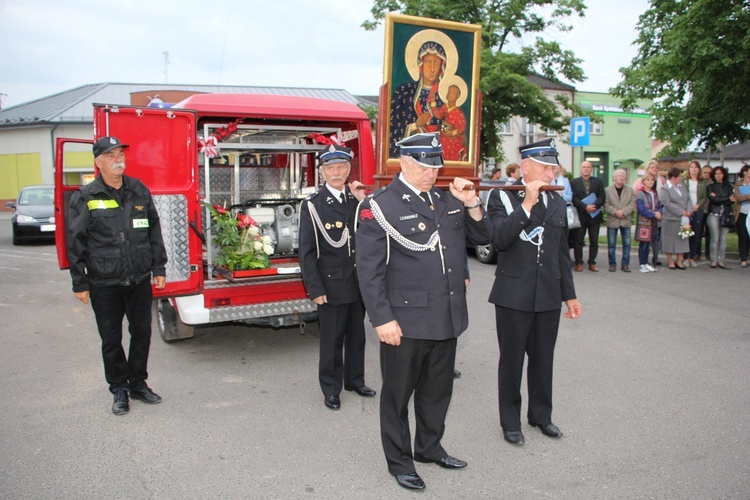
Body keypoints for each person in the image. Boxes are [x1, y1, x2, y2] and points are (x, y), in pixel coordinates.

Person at [355, 132, 490, 491]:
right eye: (425, 166)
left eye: (436, 166)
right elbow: (369, 271)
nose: (432, 173)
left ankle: (429, 447)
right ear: (405, 163)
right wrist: (382, 318)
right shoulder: (380, 204)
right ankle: (400, 462)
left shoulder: (446, 200)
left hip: (446, 315)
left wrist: (472, 202)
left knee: (437, 391)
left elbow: (482, 238)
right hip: (405, 319)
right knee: (398, 395)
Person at [486, 138, 581, 446]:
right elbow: (499, 239)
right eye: (544, 167)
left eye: (553, 167)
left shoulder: (556, 201)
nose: (551, 173)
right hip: (513, 294)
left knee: (543, 360)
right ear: (526, 166)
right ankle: (510, 422)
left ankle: (541, 416)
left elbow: (560, 252)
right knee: (511, 361)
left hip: (548, 294)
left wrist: (569, 294)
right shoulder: (503, 195)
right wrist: (526, 204)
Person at [66, 136, 168, 415]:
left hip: (138, 278)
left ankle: (138, 383)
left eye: (120, 154)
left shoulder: (138, 190)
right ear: (98, 163)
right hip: (104, 282)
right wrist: (80, 282)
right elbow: (75, 241)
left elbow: (153, 232)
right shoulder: (86, 197)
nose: (118, 159)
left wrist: (159, 268)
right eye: (111, 156)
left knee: (142, 333)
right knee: (111, 338)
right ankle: (119, 388)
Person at [298, 145, 374, 411]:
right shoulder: (313, 205)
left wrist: (362, 200)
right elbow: (306, 251)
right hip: (330, 284)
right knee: (332, 340)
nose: (336, 172)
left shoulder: (357, 200)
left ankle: (355, 380)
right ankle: (331, 389)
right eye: (330, 168)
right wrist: (314, 287)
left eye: (341, 167)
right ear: (322, 172)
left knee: (357, 335)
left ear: (349, 170)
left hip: (357, 282)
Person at [389, 41, 447, 157]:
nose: (432, 68)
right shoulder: (404, 92)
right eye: (428, 62)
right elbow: (393, 129)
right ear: (421, 65)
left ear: (442, 66)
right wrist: (415, 125)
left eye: (436, 62)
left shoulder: (446, 95)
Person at [571, 161, 605, 272]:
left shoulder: (598, 181)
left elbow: (602, 197)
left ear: (591, 169)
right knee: (578, 240)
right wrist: (585, 207)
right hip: (581, 215)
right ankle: (579, 262)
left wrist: (593, 206)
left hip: (594, 215)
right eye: (584, 167)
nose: (586, 169)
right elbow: (574, 198)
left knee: (594, 240)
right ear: (580, 169)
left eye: (588, 167)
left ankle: (592, 262)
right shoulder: (574, 182)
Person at [659, 167, 692, 270]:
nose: (681, 178)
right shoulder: (665, 188)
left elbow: (688, 199)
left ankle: (679, 260)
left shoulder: (682, 186)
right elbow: (667, 203)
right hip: (670, 218)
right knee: (669, 240)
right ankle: (670, 261)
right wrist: (681, 212)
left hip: (684, 219)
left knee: (682, 239)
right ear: (673, 177)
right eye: (679, 176)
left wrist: (689, 210)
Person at [634, 161, 665, 267]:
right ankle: (643, 262)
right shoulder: (640, 193)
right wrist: (653, 214)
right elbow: (641, 208)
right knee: (644, 243)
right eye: (648, 180)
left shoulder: (655, 193)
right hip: (644, 221)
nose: (650, 182)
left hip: (654, 221)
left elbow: (659, 205)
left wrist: (660, 212)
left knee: (653, 241)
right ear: (644, 181)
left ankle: (652, 260)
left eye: (652, 180)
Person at [604, 169, 636, 272]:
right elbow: (606, 205)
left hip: (625, 220)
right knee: (611, 244)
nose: (620, 178)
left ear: (625, 178)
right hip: (613, 220)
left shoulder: (630, 190)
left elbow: (632, 203)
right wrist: (616, 212)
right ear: (614, 178)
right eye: (618, 176)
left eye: (622, 176)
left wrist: (623, 212)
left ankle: (625, 264)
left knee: (627, 244)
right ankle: (612, 264)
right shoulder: (607, 190)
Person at [706, 166, 736, 269]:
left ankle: (721, 260)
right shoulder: (710, 187)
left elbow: (732, 200)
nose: (718, 175)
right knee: (715, 238)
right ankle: (713, 260)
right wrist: (726, 198)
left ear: (724, 174)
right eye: (716, 174)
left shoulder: (730, 186)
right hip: (714, 214)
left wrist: (720, 198)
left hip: (726, 215)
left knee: (723, 239)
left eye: (720, 173)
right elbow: (713, 199)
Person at [682, 161, 708, 267]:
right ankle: (685, 257)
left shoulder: (702, 182)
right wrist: (688, 207)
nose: (694, 169)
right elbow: (683, 196)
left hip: (698, 210)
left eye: (696, 167)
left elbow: (704, 197)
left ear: (699, 169)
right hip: (687, 211)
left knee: (696, 234)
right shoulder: (685, 181)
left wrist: (698, 205)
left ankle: (692, 256)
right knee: (686, 233)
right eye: (692, 167)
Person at [435, 82, 468, 161]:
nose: (450, 95)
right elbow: (438, 116)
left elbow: (462, 127)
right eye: (449, 92)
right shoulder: (444, 107)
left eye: (453, 93)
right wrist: (433, 105)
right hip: (443, 137)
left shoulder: (459, 112)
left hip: (454, 140)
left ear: (457, 96)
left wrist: (452, 133)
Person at [734, 164, 750, 268]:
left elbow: (741, 197)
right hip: (742, 213)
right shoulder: (738, 185)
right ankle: (743, 258)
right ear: (745, 172)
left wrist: (744, 197)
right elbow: (738, 198)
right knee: (743, 236)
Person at [702, 165, 714, 260]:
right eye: (705, 172)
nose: (707, 174)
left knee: (710, 233)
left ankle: (708, 253)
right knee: (698, 233)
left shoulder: (713, 184)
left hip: (711, 210)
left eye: (709, 173)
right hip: (701, 210)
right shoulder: (699, 183)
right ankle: (696, 253)